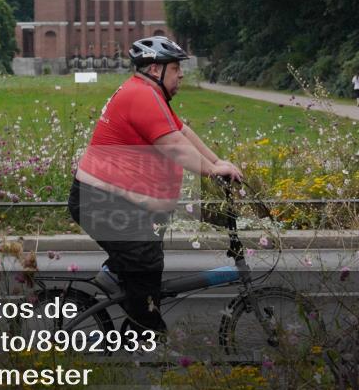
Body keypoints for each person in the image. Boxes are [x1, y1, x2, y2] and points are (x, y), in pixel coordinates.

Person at [67, 36, 243, 336]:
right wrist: (212, 170)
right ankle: (147, 339)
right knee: (146, 262)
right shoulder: (141, 95)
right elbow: (175, 147)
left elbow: (182, 132)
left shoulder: (150, 95)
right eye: (175, 68)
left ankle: (116, 279)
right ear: (154, 70)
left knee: (144, 259)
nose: (181, 75)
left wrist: (218, 162)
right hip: (99, 200)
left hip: (112, 199)